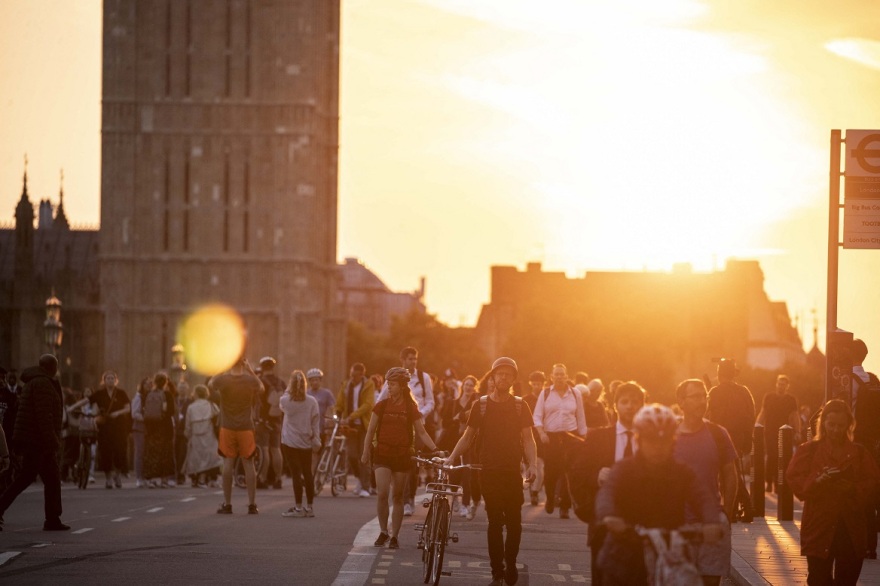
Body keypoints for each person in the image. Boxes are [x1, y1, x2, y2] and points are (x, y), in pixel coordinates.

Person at [595, 404, 722, 585]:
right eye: (651, 441)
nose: (658, 447)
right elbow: (607, 493)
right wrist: (609, 516)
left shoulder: (681, 472)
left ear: (673, 441)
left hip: (669, 555)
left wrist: (712, 521)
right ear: (639, 440)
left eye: (664, 441)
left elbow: (702, 497)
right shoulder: (624, 470)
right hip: (623, 556)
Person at [446, 357, 538, 586]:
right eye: (500, 374)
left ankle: (510, 561)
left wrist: (532, 464)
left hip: (512, 472)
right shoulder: (481, 405)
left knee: (515, 523)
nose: (503, 377)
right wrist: (451, 457)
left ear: (513, 379)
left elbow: (528, 439)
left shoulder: (520, 406)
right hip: (488, 472)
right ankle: (497, 572)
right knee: (495, 522)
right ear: (493, 377)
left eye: (508, 374)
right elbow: (468, 437)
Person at [786, 399, 880, 585]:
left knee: (847, 580)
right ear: (823, 423)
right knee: (818, 579)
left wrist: (852, 488)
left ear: (848, 425)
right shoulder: (810, 450)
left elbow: (873, 482)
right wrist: (817, 480)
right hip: (819, 525)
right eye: (831, 425)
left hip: (851, 527)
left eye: (840, 425)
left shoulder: (859, 453)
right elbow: (794, 478)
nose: (836, 430)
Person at [568, 380, 646, 586]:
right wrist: (596, 475)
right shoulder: (598, 438)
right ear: (615, 406)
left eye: (635, 402)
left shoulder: (652, 441)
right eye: (625, 401)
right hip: (605, 527)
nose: (630, 406)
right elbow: (577, 473)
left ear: (642, 406)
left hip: (642, 528)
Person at [362, 366, 439, 549]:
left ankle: (394, 536)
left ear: (403, 386)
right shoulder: (381, 406)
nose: (389, 387)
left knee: (397, 496)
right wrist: (365, 452)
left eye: (393, 384)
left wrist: (436, 449)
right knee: (382, 494)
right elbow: (370, 430)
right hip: (382, 454)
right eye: (388, 383)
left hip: (403, 455)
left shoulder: (411, 407)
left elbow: (421, 432)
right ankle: (383, 531)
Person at [674, 379, 738, 586]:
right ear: (681, 401)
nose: (702, 401)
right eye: (696, 397)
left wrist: (726, 514)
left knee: (710, 581)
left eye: (705, 396)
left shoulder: (719, 434)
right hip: (677, 526)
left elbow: (730, 475)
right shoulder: (667, 436)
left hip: (711, 525)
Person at [0, 354, 70, 531]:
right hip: (38, 441)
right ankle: (52, 519)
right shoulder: (42, 383)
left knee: (31, 478)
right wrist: (52, 440)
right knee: (45, 478)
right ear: (50, 367)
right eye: (55, 365)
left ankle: (52, 518)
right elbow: (44, 415)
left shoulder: (35, 381)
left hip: (34, 439)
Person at [377, 346, 435, 516]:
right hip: (397, 427)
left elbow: (430, 402)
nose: (413, 362)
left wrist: (418, 414)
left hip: (417, 425)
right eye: (410, 358)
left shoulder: (424, 378)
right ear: (402, 359)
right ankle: (400, 497)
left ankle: (409, 499)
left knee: (411, 464)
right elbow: (380, 401)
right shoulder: (394, 377)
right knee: (400, 463)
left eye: (415, 358)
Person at [533, 363, 587, 520]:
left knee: (569, 472)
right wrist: (541, 433)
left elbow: (581, 416)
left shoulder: (575, 393)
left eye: (562, 374)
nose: (559, 377)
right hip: (551, 437)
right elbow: (537, 416)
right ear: (551, 377)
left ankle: (565, 506)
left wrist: (583, 437)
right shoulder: (545, 393)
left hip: (571, 436)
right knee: (551, 472)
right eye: (556, 374)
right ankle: (550, 498)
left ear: (567, 376)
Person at [210, 356, 263, 515]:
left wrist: (222, 368)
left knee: (228, 463)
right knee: (249, 464)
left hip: (227, 427)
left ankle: (227, 504)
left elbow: (210, 384)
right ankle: (252, 504)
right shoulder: (249, 380)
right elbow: (261, 388)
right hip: (246, 427)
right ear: (243, 363)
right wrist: (250, 370)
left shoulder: (224, 380)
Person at [705, 358, 755, 521]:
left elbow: (708, 415)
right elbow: (751, 416)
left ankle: (740, 507)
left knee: (726, 474)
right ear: (734, 374)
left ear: (719, 374)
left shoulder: (715, 392)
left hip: (720, 436)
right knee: (733, 471)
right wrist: (748, 438)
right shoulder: (744, 391)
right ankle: (739, 508)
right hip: (740, 437)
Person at [279, 370, 321, 518]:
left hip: (290, 441)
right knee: (307, 473)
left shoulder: (286, 401)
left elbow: (282, 402)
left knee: (295, 474)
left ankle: (298, 507)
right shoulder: (311, 401)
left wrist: (290, 387)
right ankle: (310, 507)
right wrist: (316, 438)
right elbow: (315, 422)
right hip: (306, 442)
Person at [336, 362, 376, 498]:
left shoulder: (369, 385)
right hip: (350, 426)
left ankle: (365, 487)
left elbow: (368, 404)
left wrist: (352, 416)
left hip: (363, 425)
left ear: (361, 375)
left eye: (355, 375)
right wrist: (338, 412)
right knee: (351, 455)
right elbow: (340, 402)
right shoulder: (346, 385)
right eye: (351, 375)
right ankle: (359, 478)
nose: (352, 377)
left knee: (364, 456)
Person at [756, 374, 800, 492]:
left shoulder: (791, 399)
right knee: (771, 455)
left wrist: (798, 431)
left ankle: (778, 482)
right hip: (770, 431)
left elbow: (795, 416)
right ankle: (769, 482)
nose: (781, 386)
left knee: (783, 457)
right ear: (776, 384)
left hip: (785, 432)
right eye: (779, 384)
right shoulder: (769, 397)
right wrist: (757, 427)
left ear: (787, 386)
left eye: (783, 384)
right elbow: (763, 413)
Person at [90, 371, 131, 489]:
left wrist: (117, 413)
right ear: (104, 380)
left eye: (112, 378)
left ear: (116, 380)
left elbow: (128, 408)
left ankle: (117, 475)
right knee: (105, 452)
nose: (110, 380)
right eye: (108, 378)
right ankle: (108, 478)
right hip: (105, 427)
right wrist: (72, 407)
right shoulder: (100, 393)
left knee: (120, 451)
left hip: (119, 426)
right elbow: (87, 400)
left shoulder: (121, 393)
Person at [143, 372, 177, 488]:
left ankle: (152, 479)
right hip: (165, 427)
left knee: (152, 453)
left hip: (152, 428)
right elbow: (171, 411)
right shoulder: (167, 395)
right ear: (166, 382)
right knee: (165, 453)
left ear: (155, 382)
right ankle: (164, 479)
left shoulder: (149, 394)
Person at [184, 384, 222, 488]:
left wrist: (187, 434)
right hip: (209, 435)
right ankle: (205, 479)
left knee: (196, 458)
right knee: (209, 459)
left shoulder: (191, 407)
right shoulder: (211, 405)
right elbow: (219, 420)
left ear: (195, 394)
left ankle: (195, 479)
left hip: (196, 435)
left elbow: (188, 424)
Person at [257, 356, 284, 489]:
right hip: (277, 420)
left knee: (264, 450)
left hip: (264, 420)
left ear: (262, 367)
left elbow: (257, 402)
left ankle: (262, 478)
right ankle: (278, 479)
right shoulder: (281, 382)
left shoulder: (260, 381)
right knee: (276, 449)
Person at [522, 371, 547, 508]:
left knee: (540, 465)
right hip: (527, 436)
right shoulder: (525, 400)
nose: (537, 386)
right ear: (530, 383)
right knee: (528, 465)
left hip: (541, 436)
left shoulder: (547, 399)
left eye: (539, 384)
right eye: (534, 384)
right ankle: (532, 487)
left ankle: (535, 491)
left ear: (543, 384)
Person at [130, 377, 151, 488]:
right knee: (139, 453)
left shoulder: (151, 396)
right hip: (139, 427)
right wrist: (145, 418)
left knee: (148, 453)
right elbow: (134, 413)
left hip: (149, 428)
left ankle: (146, 476)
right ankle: (139, 477)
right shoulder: (138, 397)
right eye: (146, 384)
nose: (148, 386)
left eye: (150, 384)